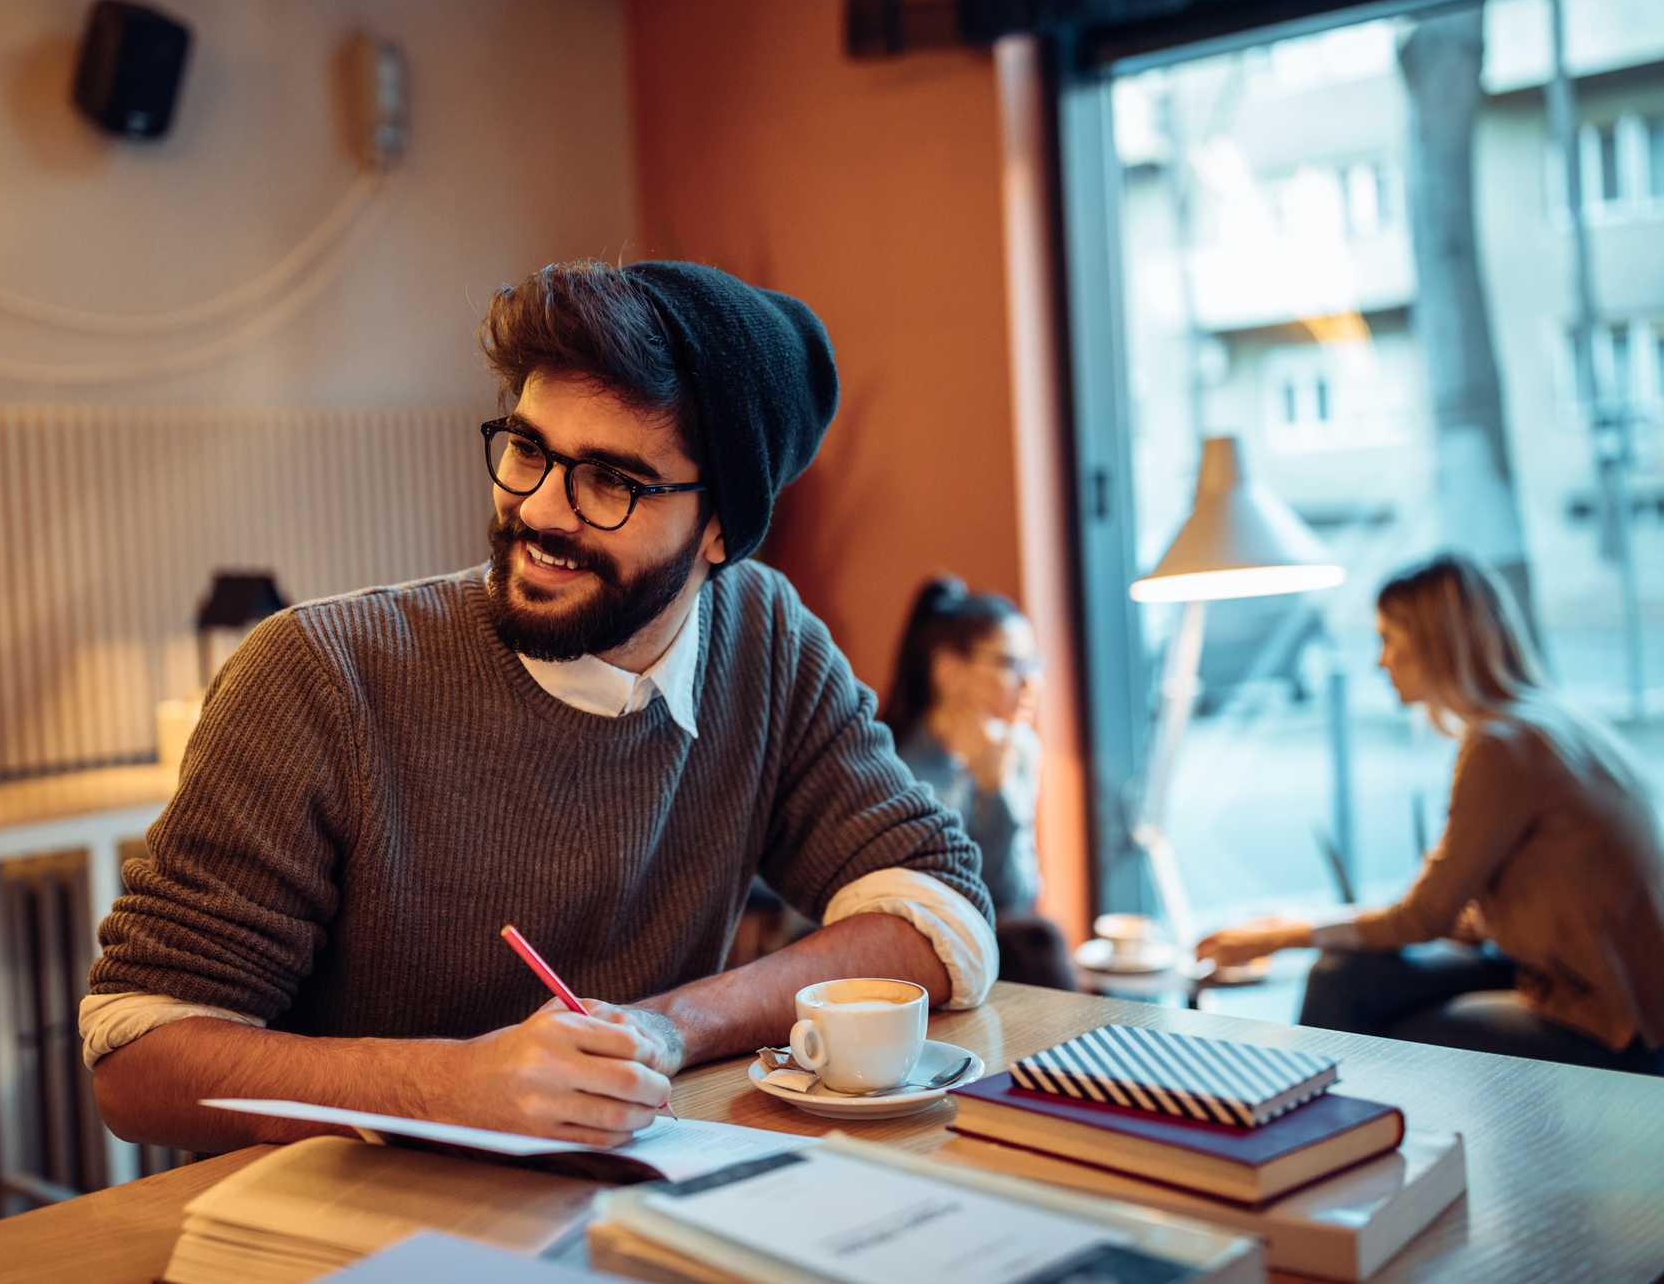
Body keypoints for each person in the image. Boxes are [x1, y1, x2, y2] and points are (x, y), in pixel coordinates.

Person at [81, 259, 998, 1152]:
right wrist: (448, 1087)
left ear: (721, 529)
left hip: (619, 1208)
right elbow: (138, 1058)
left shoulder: (760, 637)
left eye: (612, 479)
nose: (542, 512)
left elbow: (937, 911)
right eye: (527, 449)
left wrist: (662, 1030)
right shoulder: (319, 675)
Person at [1198, 553, 1664, 1074]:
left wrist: (1281, 934)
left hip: (1612, 1018)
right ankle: (1303, 1120)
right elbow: (1461, 911)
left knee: (1389, 1035)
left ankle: (1303, 1128)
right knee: (1342, 977)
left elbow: (1424, 918)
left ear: (1436, 646)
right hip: (1557, 973)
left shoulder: (1501, 747)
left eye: (1388, 640)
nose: (1380, 661)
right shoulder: (1547, 721)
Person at [882, 577, 1077, 991]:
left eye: (1034, 665)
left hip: (990, 944)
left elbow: (1016, 894)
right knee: (1034, 944)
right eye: (1011, 665)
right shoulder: (893, 769)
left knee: (1033, 938)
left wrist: (997, 789)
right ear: (950, 671)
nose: (1032, 684)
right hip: (905, 947)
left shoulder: (1018, 750)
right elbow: (934, 904)